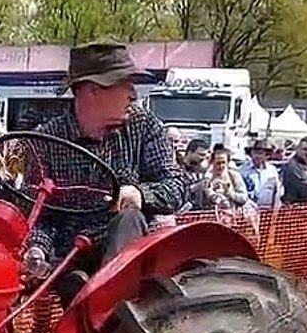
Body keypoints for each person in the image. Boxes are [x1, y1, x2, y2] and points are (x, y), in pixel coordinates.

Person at [12, 42, 187, 298]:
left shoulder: (144, 126)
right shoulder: (45, 141)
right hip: (71, 252)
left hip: (130, 253)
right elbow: (40, 215)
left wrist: (139, 194)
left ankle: (101, 299)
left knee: (129, 218)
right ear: (93, 90)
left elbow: (175, 185)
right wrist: (37, 249)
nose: (134, 94)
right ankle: (87, 295)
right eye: (125, 84)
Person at [239, 138, 282, 209]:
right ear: (251, 154)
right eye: (255, 153)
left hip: (268, 210)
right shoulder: (243, 170)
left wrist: (275, 208)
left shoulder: (272, 170)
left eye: (261, 153)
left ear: (266, 155)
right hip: (249, 210)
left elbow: (277, 192)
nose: (257, 156)